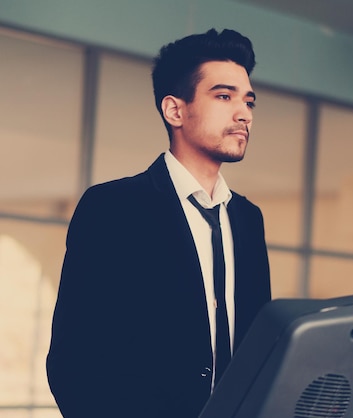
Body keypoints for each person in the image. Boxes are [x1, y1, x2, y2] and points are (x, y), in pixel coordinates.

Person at [46, 28, 271, 417]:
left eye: (248, 101)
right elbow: (74, 360)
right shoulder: (113, 209)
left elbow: (258, 349)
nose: (244, 113)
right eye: (224, 96)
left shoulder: (248, 220)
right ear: (174, 110)